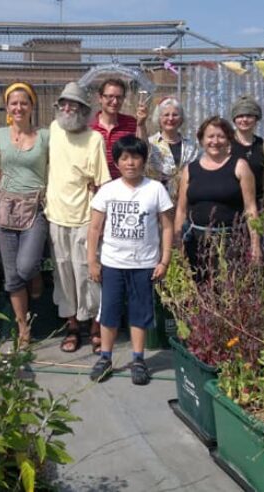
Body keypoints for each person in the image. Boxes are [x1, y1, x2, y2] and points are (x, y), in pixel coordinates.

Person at [87, 136, 173, 384]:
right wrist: (93, 261)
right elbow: (94, 229)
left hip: (144, 264)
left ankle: (138, 359)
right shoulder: (108, 190)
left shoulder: (155, 189)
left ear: (144, 160)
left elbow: (167, 227)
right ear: (117, 162)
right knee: (109, 312)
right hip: (113, 263)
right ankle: (105, 357)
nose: (130, 163)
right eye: (124, 158)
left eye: (135, 157)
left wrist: (164, 260)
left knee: (140, 312)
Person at [46, 82, 111, 353]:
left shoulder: (95, 138)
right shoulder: (52, 130)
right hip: (56, 216)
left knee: (89, 275)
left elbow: (103, 183)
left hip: (85, 218)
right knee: (63, 275)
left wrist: (100, 223)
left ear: (84, 110)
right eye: (64, 103)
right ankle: (72, 326)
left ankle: (95, 327)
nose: (68, 108)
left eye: (74, 104)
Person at [0, 82, 49, 348]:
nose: (18, 107)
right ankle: (23, 327)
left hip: (33, 207)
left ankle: (35, 272)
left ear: (31, 105)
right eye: (13, 103)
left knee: (25, 267)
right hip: (5, 209)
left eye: (23, 102)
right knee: (12, 276)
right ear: (7, 107)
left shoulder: (45, 136)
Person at [174, 116, 261, 282]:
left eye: (221, 136)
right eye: (210, 136)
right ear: (201, 140)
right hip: (196, 243)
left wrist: (255, 245)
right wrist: (178, 242)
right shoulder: (190, 169)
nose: (215, 141)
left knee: (229, 292)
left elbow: (251, 208)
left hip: (231, 244)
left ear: (229, 140)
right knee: (197, 290)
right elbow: (181, 209)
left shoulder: (240, 166)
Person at [89, 78, 147, 180]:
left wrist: (141, 125)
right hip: (95, 186)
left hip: (124, 185)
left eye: (119, 97)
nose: (115, 102)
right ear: (100, 98)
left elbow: (142, 150)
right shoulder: (89, 127)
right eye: (110, 96)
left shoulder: (131, 123)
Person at [147, 96, 199, 197]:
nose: (170, 119)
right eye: (166, 115)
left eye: (175, 115)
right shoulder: (150, 144)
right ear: (159, 118)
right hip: (157, 197)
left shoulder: (192, 147)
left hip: (186, 197)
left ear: (181, 118)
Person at [230, 96, 264, 213]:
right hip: (231, 205)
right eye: (240, 116)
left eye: (249, 116)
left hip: (257, 205)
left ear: (256, 118)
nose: (244, 119)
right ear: (234, 119)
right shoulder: (226, 145)